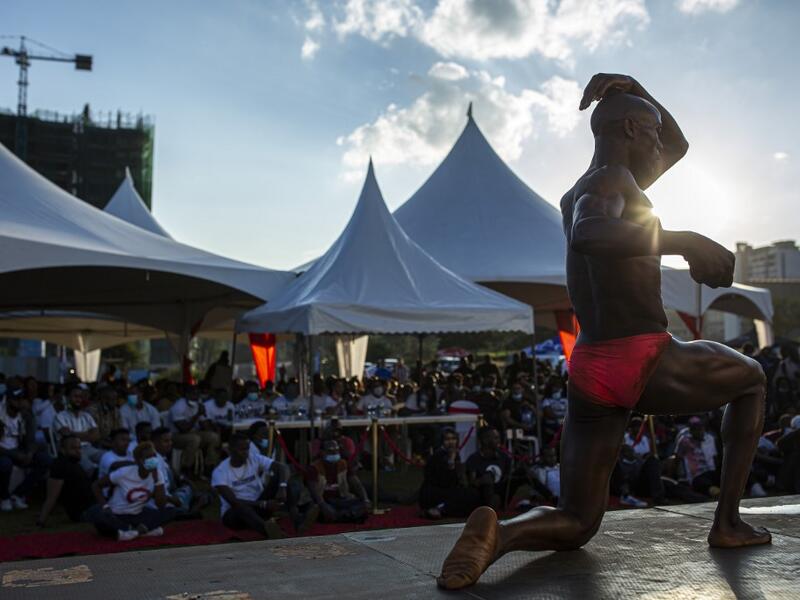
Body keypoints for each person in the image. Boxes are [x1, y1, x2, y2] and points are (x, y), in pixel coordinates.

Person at [438, 74, 770, 590]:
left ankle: (496, 535)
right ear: (633, 128)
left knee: (578, 520)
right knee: (750, 380)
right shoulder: (611, 182)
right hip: (644, 355)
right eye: (653, 133)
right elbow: (592, 235)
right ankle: (727, 523)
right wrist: (687, 240)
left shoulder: (582, 189)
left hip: (592, 368)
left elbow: (679, 145)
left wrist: (636, 86)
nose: (662, 146)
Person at [88, 441, 177, 541]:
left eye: (154, 456)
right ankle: (141, 531)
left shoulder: (157, 474)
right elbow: (96, 485)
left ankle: (133, 532)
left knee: (171, 511)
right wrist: (105, 506)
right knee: (97, 516)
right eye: (148, 457)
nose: (153, 459)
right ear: (139, 461)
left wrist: (157, 480)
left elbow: (161, 505)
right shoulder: (124, 473)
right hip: (117, 514)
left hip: (138, 514)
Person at [211, 433, 285, 538]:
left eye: (247, 449)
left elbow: (281, 467)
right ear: (230, 450)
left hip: (258, 506)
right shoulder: (220, 472)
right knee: (242, 508)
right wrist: (263, 504)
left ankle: (299, 516)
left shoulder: (253, 458)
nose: (245, 453)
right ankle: (270, 532)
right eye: (241, 450)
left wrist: (282, 487)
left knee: (281, 477)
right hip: (235, 514)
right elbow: (233, 501)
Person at [0, 390, 52, 510]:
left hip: (19, 450)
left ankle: (18, 494)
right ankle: (4, 497)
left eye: (22, 399)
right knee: (5, 464)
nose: (20, 403)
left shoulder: (25, 416)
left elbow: (31, 439)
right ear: (8, 401)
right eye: (16, 400)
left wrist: (30, 453)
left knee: (45, 460)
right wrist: (15, 455)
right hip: (3, 452)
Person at [419, 428, 481, 519]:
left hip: (448, 490)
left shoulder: (455, 454)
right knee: (463, 497)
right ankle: (438, 509)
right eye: (447, 439)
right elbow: (444, 480)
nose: (451, 442)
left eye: (453, 439)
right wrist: (451, 462)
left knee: (472, 496)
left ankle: (439, 509)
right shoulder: (437, 456)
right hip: (434, 491)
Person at [37, 435, 97, 527]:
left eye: (79, 448)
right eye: (73, 448)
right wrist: (41, 521)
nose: (78, 451)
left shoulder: (73, 463)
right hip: (85, 512)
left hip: (92, 507)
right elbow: (51, 497)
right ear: (63, 450)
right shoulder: (60, 466)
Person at [306, 440, 369, 524]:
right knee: (320, 510)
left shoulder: (343, 464)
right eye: (330, 451)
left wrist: (365, 499)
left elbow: (356, 484)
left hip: (341, 500)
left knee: (361, 506)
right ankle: (346, 517)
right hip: (324, 501)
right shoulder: (314, 468)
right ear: (322, 452)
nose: (334, 453)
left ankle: (341, 516)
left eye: (336, 450)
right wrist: (323, 505)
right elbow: (314, 492)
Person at [170, 385, 220, 475]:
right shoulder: (178, 407)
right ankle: (186, 469)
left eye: (197, 394)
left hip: (194, 433)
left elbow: (204, 424)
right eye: (193, 394)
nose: (196, 396)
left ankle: (209, 466)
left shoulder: (198, 403)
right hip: (176, 435)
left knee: (213, 437)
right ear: (187, 394)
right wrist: (197, 415)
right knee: (194, 439)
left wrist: (205, 419)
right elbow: (183, 429)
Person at [53, 386, 102, 474]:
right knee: (90, 469)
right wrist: (88, 434)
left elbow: (96, 436)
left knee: (108, 459)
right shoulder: (60, 416)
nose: (78, 400)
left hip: (89, 448)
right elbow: (68, 437)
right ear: (67, 398)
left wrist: (74, 433)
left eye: (80, 397)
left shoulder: (87, 416)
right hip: (72, 450)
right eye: (75, 396)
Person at [464, 427, 513, 511]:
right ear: (485, 440)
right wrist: (483, 480)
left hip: (501, 489)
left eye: (498, 438)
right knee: (487, 478)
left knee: (523, 474)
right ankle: (489, 510)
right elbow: (472, 482)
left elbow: (508, 476)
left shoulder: (504, 457)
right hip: (483, 492)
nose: (499, 441)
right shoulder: (474, 458)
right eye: (496, 438)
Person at [675, 416, 720, 496]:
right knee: (700, 482)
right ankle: (713, 491)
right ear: (691, 430)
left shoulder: (710, 438)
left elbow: (714, 457)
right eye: (696, 429)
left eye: (701, 428)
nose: (699, 431)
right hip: (697, 475)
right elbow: (677, 458)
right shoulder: (684, 441)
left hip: (711, 471)